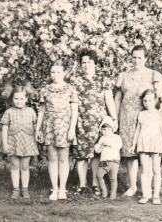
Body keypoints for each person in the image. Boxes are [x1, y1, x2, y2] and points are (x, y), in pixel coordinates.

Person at [114, 45, 162, 197]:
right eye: (134, 57)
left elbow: (161, 96)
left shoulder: (153, 75)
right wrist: (115, 117)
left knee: (148, 152)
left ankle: (150, 189)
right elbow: (118, 98)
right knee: (130, 153)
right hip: (127, 118)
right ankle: (132, 186)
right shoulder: (123, 75)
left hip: (148, 120)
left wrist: (161, 112)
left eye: (140, 57)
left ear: (145, 58)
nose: (136, 60)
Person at [69, 49, 118, 195]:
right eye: (83, 62)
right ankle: (82, 185)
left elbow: (109, 100)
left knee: (97, 154)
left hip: (99, 123)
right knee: (81, 155)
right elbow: (72, 102)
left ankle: (95, 183)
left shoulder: (103, 78)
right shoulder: (74, 80)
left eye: (89, 62)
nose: (86, 65)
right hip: (81, 121)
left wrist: (114, 118)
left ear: (95, 63)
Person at [35, 60, 78, 200]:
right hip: (49, 127)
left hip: (64, 127)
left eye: (58, 72)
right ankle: (54, 189)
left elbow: (74, 110)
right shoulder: (45, 89)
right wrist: (38, 129)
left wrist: (72, 129)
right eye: (53, 72)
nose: (55, 75)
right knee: (52, 159)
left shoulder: (71, 89)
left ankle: (62, 190)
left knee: (63, 159)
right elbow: (41, 110)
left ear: (64, 73)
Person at [0, 86, 39, 199]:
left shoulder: (31, 111)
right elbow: (5, 128)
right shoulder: (9, 112)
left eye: (22, 99)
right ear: (12, 99)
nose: (19, 101)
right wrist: (5, 144)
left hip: (27, 142)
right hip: (13, 141)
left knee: (25, 166)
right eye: (16, 99)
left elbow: (35, 126)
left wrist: (38, 134)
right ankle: (16, 189)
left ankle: (25, 189)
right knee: (15, 165)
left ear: (26, 98)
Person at [129, 89, 162, 204]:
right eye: (145, 101)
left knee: (156, 170)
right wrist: (133, 145)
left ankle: (156, 196)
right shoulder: (141, 114)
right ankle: (146, 194)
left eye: (150, 100)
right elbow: (137, 130)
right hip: (143, 143)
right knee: (144, 170)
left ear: (155, 100)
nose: (147, 103)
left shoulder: (160, 114)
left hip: (156, 143)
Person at [95, 116, 122, 200]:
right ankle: (104, 191)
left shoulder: (116, 137)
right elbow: (97, 150)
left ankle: (113, 194)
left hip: (114, 161)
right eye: (104, 129)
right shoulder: (102, 138)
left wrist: (109, 144)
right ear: (101, 130)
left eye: (108, 129)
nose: (106, 132)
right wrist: (99, 146)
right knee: (99, 175)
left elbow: (119, 146)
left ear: (112, 129)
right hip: (104, 161)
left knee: (113, 178)